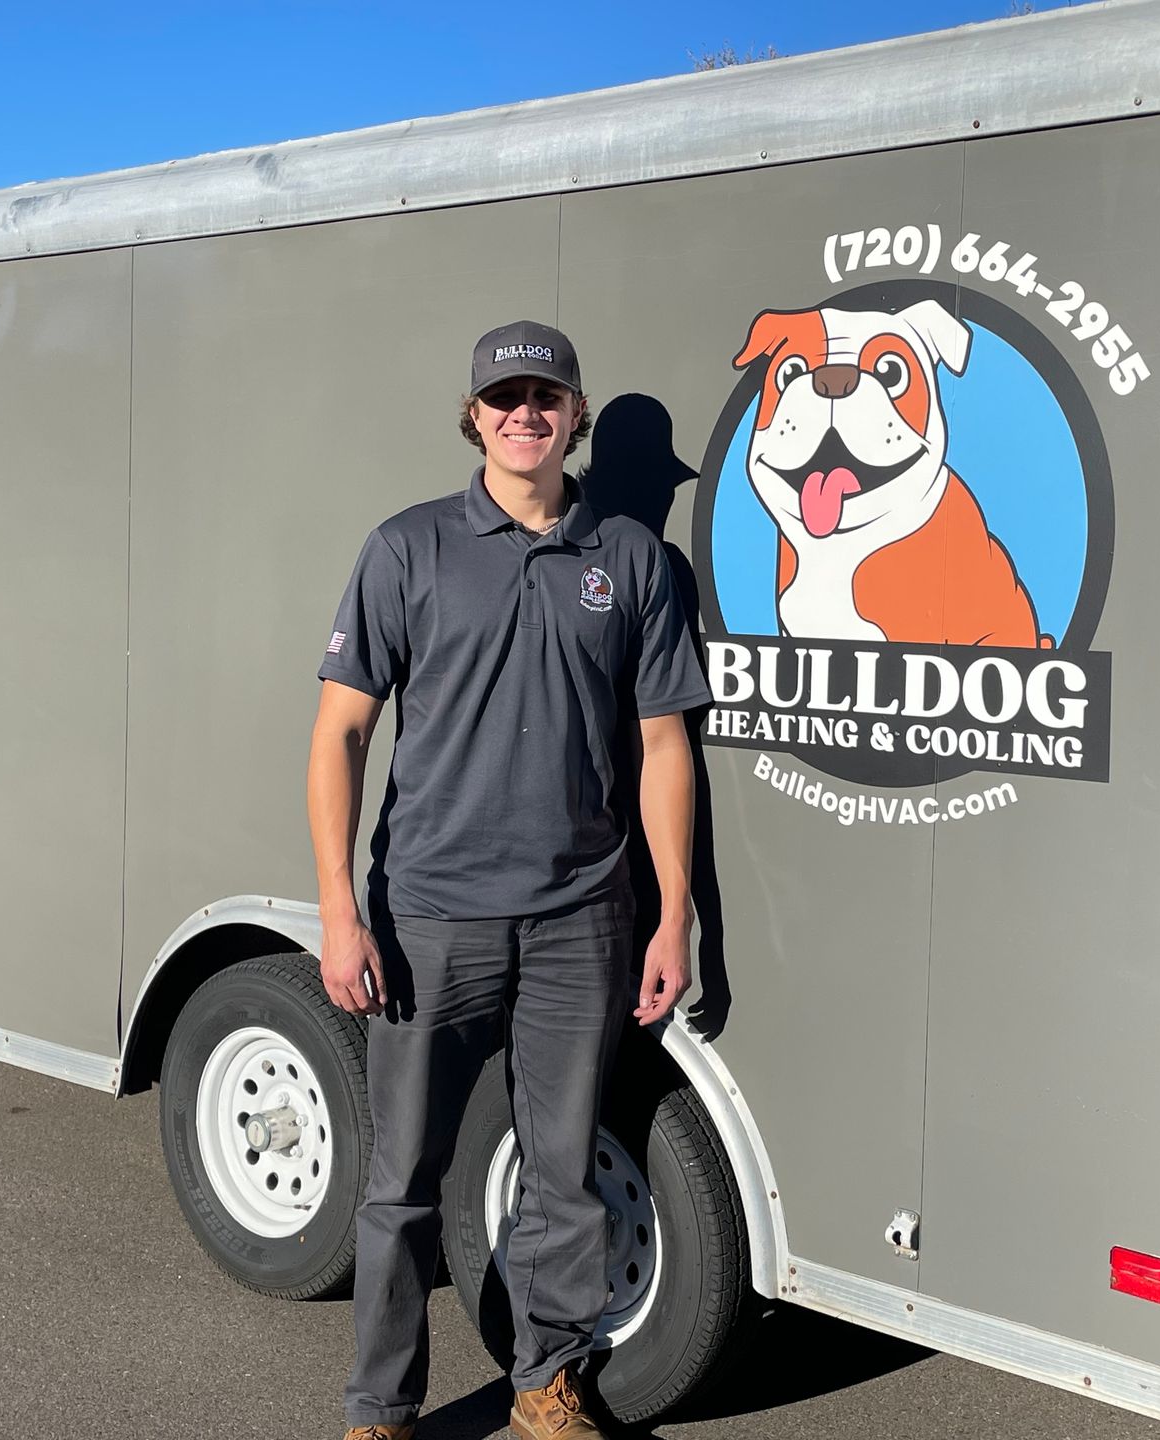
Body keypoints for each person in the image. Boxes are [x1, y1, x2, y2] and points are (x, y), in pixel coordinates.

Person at [308, 320, 711, 1440]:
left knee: (563, 1174)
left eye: (546, 395)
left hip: (584, 919)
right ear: (473, 416)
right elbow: (340, 734)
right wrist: (342, 914)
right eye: (504, 397)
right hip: (430, 917)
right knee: (402, 1185)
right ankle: (381, 1408)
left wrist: (674, 913)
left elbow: (666, 747)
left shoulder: (630, 559)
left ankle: (547, 1383)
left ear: (574, 414)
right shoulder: (408, 549)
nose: (524, 413)